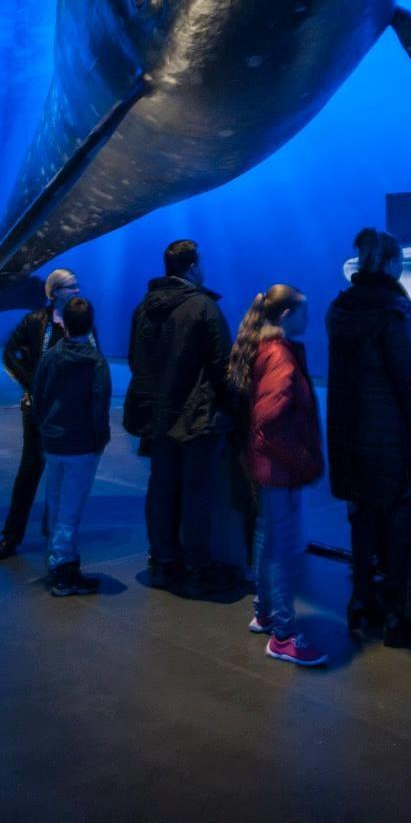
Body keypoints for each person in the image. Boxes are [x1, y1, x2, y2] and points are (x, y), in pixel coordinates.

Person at [326, 227, 411, 642]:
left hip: (350, 434)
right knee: (400, 525)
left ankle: (362, 601)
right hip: (392, 439)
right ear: (392, 262)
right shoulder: (394, 311)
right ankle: (399, 612)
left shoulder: (340, 308)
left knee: (362, 520)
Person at [126, 240, 235, 593]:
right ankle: (198, 567)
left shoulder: (144, 308)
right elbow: (222, 365)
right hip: (196, 416)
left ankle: (162, 562)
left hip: (158, 416)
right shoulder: (203, 307)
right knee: (196, 492)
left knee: (161, 489)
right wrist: (234, 407)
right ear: (192, 267)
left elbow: (135, 360)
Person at [233, 284, 327, 668]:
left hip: (271, 467)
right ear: (287, 315)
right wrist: (301, 459)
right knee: (282, 550)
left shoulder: (268, 350)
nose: (310, 319)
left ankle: (265, 613)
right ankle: (284, 636)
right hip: (280, 469)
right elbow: (267, 423)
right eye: (304, 312)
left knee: (271, 541)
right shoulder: (281, 357)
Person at [0, 268, 82, 562]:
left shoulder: (80, 320)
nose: (77, 291)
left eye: (77, 286)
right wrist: (31, 384)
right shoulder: (34, 321)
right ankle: (11, 535)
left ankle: (53, 530)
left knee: (62, 473)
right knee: (30, 470)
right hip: (38, 409)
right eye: (71, 287)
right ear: (54, 292)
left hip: (68, 411)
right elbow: (9, 354)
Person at [31, 296, 112, 597]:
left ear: (64, 323)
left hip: (53, 442)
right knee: (70, 508)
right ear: (90, 325)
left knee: (55, 503)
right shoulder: (96, 363)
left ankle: (58, 561)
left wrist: (44, 429)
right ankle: (64, 570)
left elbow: (38, 397)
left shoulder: (49, 357)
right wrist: (100, 439)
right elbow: (99, 407)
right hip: (81, 446)